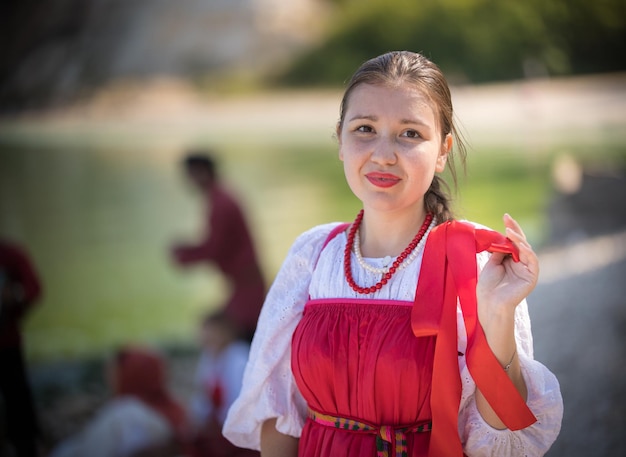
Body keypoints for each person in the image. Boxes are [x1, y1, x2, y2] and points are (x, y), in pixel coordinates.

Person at [222, 51, 563, 456]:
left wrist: (498, 312)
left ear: (442, 151)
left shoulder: (473, 263)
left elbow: (501, 440)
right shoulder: (313, 255)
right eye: (365, 128)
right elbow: (277, 415)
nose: (383, 154)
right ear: (340, 141)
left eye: (410, 134)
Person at [171, 153, 265, 342]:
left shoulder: (220, 202)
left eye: (191, 174)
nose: (189, 181)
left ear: (202, 172)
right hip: (242, 284)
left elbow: (215, 249)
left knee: (240, 336)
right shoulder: (221, 196)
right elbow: (216, 245)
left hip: (247, 286)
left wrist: (185, 256)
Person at [49, 345, 190, 457]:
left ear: (133, 375)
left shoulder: (125, 413)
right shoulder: (176, 408)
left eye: (115, 373)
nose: (110, 379)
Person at [188, 311, 258, 457]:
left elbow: (240, 399)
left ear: (227, 333)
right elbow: (202, 394)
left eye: (213, 333)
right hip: (216, 426)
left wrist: (221, 424)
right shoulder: (209, 357)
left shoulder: (239, 357)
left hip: (237, 426)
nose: (207, 338)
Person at [0, 239, 43, 457]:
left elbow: (34, 290)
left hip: (7, 342)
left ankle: (26, 445)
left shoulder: (10, 255)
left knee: (17, 397)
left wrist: (13, 296)